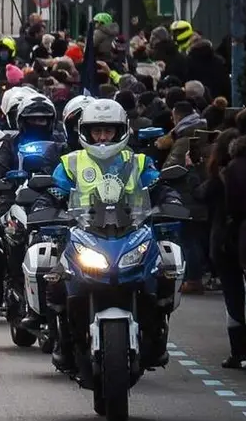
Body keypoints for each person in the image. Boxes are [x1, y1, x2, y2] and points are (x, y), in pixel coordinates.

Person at [41, 99, 180, 370]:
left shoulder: (138, 162)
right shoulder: (70, 163)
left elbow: (158, 187)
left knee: (166, 268)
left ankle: (156, 333)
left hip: (131, 232)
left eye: (108, 131)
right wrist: (43, 206)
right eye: (97, 131)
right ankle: (62, 338)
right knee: (53, 277)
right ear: (86, 132)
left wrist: (171, 199)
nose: (102, 137)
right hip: (85, 234)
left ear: (120, 131)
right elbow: (54, 193)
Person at [0, 95, 63, 312]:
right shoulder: (10, 143)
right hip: (14, 199)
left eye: (43, 120)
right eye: (33, 120)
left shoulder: (59, 145)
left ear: (51, 121)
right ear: (21, 121)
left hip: (52, 200)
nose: (38, 124)